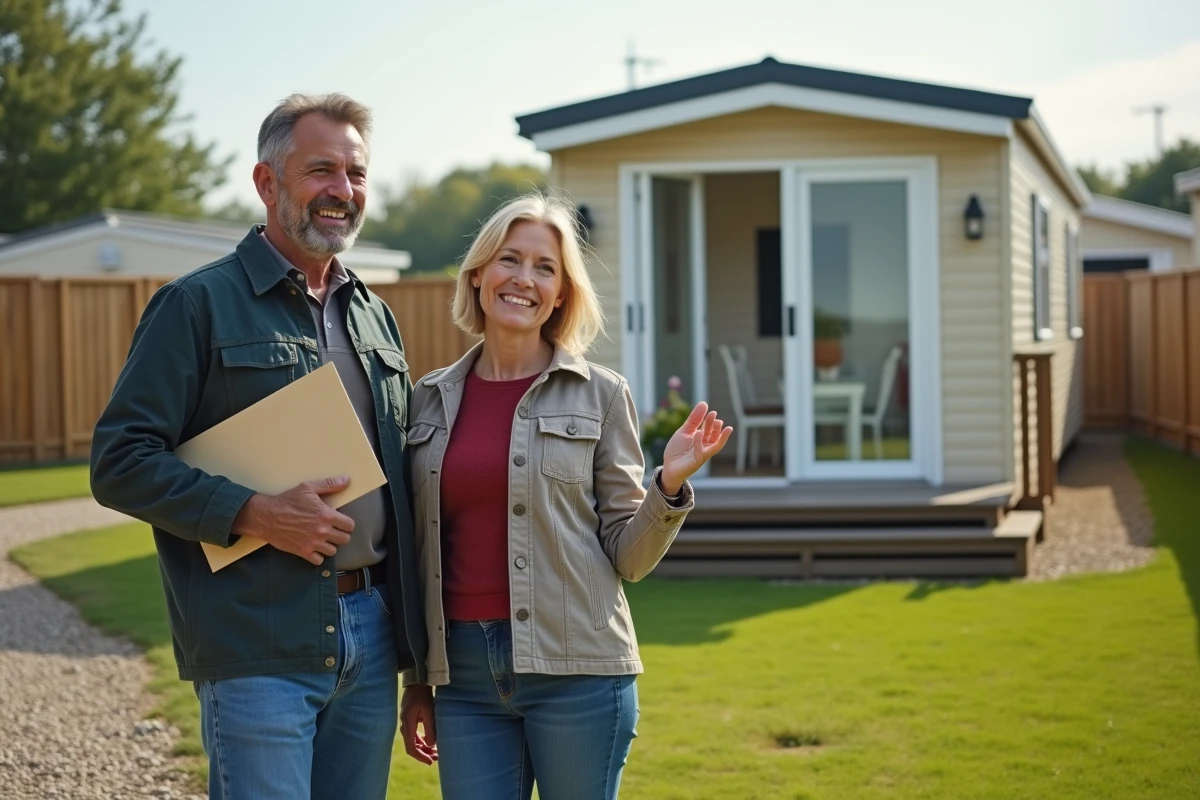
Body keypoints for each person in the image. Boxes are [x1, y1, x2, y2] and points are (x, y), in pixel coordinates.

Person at [89, 93, 425, 800]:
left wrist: (416, 655)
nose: (343, 191)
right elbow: (120, 461)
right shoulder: (195, 305)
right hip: (255, 635)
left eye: (357, 174)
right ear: (267, 183)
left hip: (371, 632)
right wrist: (254, 512)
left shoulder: (375, 314)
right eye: (321, 170)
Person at [398, 193, 733, 799]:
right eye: (510, 259)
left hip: (579, 672)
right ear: (477, 275)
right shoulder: (428, 399)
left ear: (560, 294)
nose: (524, 279)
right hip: (464, 681)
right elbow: (418, 550)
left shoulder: (601, 396)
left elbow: (628, 558)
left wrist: (669, 485)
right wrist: (418, 679)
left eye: (545, 268)